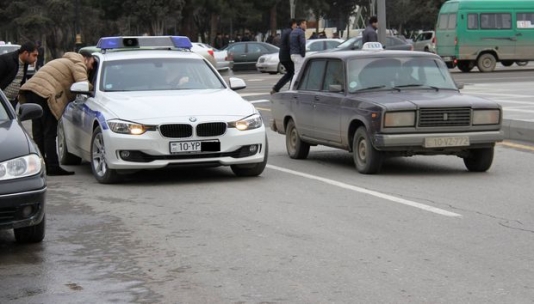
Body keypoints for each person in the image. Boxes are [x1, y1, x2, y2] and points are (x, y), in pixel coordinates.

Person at [18, 50, 95, 176]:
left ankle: (39, 166)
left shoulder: (65, 60)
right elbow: (82, 83)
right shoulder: (78, 62)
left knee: (38, 132)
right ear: (86, 59)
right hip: (44, 94)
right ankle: (53, 167)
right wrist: (92, 87)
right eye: (92, 62)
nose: (92, 66)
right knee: (49, 132)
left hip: (31, 90)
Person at [0, 41, 38, 109]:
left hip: (12, 102)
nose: (35, 59)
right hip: (2, 102)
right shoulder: (6, 60)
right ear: (26, 53)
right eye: (34, 55)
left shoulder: (25, 63)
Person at [271, 19, 297, 94]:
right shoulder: (290, 32)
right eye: (295, 24)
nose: (296, 26)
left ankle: (277, 88)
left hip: (283, 56)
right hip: (287, 56)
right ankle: (292, 89)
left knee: (290, 73)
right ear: (293, 24)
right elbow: (290, 44)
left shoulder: (285, 31)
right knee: (293, 73)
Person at [289, 18, 307, 84]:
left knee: (296, 72)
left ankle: (293, 87)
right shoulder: (301, 32)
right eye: (305, 24)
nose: (306, 25)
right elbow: (302, 44)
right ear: (301, 24)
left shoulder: (293, 31)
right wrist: (303, 54)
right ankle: (293, 88)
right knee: (298, 73)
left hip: (292, 53)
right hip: (298, 54)